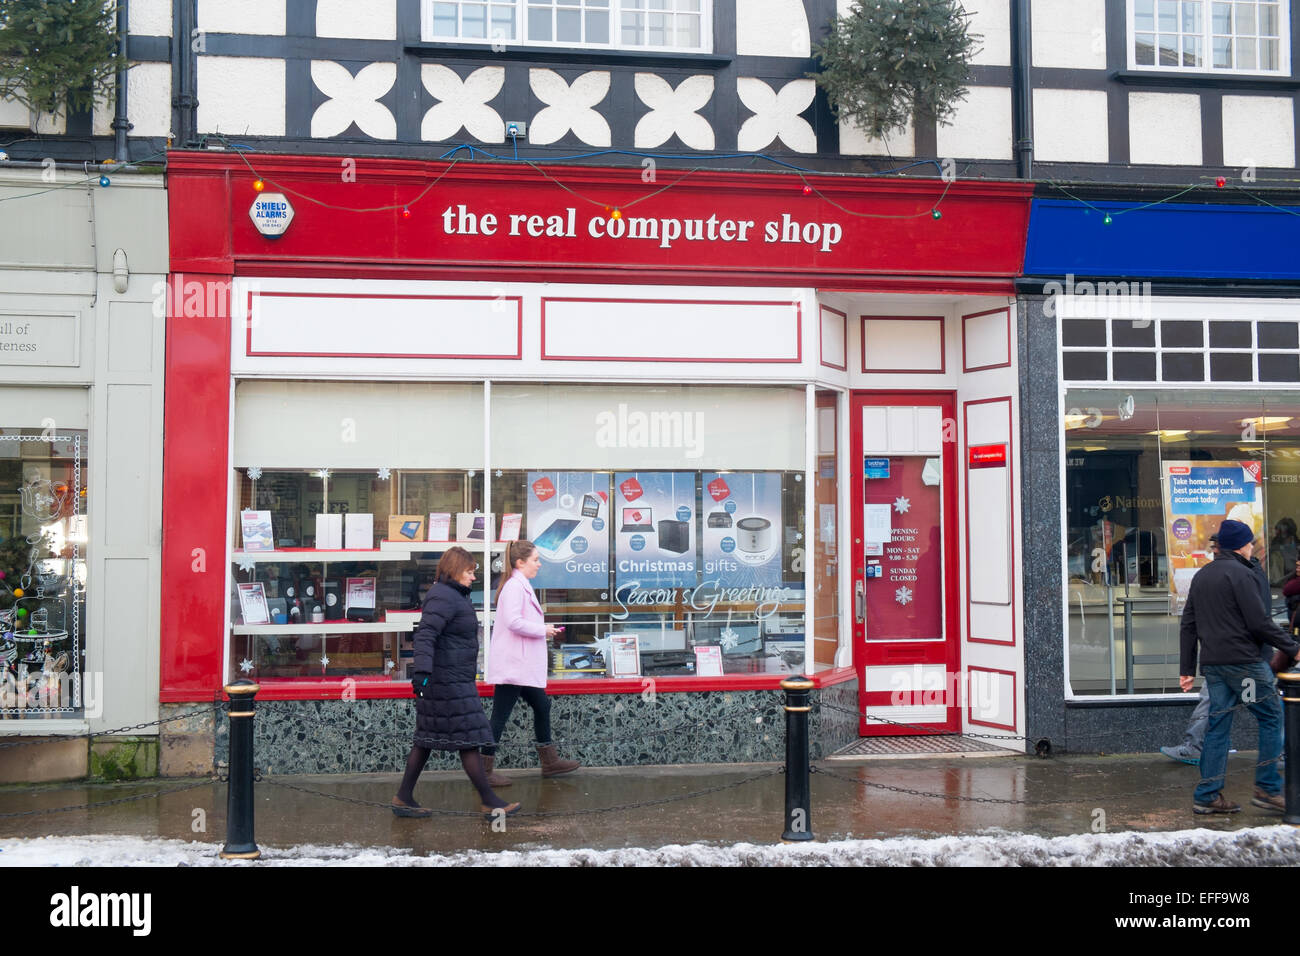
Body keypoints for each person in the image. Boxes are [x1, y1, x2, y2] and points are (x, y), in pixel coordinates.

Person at [1178, 519, 1300, 814]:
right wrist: (1294, 648)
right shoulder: (1241, 575)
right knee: (1272, 717)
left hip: (1215, 666)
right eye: (1248, 542)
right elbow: (1259, 623)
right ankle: (1268, 788)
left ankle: (1207, 795)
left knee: (1218, 727)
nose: (1251, 547)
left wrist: (1187, 668)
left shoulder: (1202, 576)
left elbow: (1188, 625)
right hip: (1243, 664)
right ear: (1240, 545)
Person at [393, 546, 520, 819]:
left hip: (450, 680)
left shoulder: (451, 595)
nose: (473, 577)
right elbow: (425, 635)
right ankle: (489, 801)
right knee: (468, 738)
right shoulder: (443, 596)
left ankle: (403, 797)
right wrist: (422, 674)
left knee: (426, 740)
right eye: (469, 571)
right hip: (446, 682)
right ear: (454, 570)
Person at [481, 539, 579, 782]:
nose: (539, 564)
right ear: (520, 562)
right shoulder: (515, 587)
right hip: (515, 666)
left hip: (519, 665)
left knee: (542, 706)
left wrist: (541, 628)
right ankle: (483, 772)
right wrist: (542, 630)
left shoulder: (518, 584)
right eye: (535, 560)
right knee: (500, 716)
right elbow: (514, 622)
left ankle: (550, 762)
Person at [1269, 518, 1299, 586]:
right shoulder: (1275, 549)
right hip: (1280, 586)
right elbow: (1275, 579)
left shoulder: (1297, 545)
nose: (1276, 533)